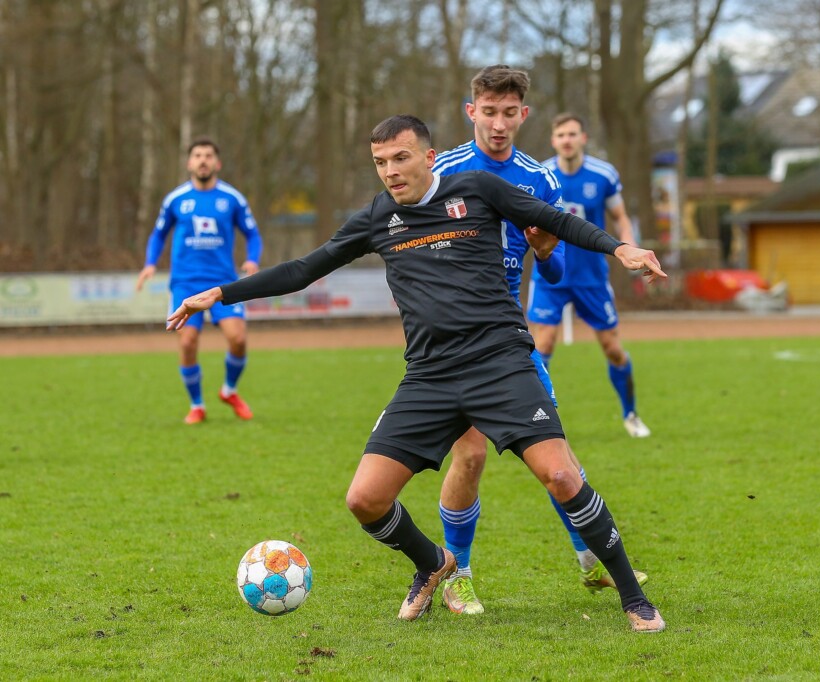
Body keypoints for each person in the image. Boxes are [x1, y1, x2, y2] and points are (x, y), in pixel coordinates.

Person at [167, 115, 667, 632]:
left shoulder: (477, 188)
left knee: (562, 475)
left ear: (429, 157)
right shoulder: (377, 218)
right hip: (430, 377)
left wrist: (620, 248)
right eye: (380, 162)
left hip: (501, 364)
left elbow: (555, 220)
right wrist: (222, 293)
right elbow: (302, 269)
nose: (390, 172)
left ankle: (632, 596)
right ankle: (433, 564)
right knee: (364, 500)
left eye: (400, 158)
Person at [431, 66, 645, 617]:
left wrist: (546, 253)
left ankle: (591, 562)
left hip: (509, 337)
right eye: (488, 111)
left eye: (509, 113)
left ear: (523, 116)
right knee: (471, 455)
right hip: (454, 342)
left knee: (557, 460)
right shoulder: (442, 171)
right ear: (470, 110)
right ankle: (458, 575)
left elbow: (551, 274)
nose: (498, 123)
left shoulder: (539, 180)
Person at [528, 113, 651, 438]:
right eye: (560, 135)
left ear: (583, 138)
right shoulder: (541, 174)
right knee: (543, 344)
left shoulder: (603, 174)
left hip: (591, 278)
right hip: (550, 274)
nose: (566, 140)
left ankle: (631, 414)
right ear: (554, 141)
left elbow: (621, 218)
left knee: (612, 347)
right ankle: (541, 425)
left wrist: (631, 247)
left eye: (572, 134)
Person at [136, 137, 262, 424]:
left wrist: (253, 259)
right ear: (189, 163)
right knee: (188, 342)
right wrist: (149, 263)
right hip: (185, 283)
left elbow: (253, 234)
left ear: (216, 163)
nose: (203, 160)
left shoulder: (232, 198)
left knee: (238, 339)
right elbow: (158, 234)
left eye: (208, 155)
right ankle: (197, 406)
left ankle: (229, 391)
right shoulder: (175, 199)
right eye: (197, 155)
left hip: (223, 282)